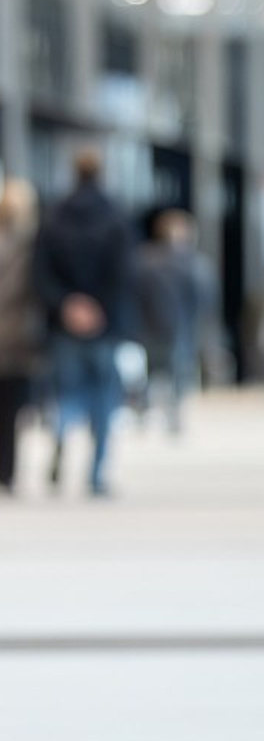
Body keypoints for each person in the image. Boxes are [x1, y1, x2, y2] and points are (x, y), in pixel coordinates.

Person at [33, 147, 132, 497]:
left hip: (63, 324)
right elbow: (122, 274)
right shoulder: (115, 216)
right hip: (105, 325)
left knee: (66, 391)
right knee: (104, 397)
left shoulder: (54, 216)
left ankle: (60, 435)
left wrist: (67, 305)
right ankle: (95, 474)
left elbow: (41, 271)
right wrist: (97, 307)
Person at [132, 208, 209, 434]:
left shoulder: (142, 260)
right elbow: (204, 301)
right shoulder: (195, 264)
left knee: (149, 373)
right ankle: (174, 415)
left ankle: (144, 412)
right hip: (180, 329)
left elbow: (132, 295)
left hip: (147, 328)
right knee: (178, 375)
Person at [0, 177, 41, 494]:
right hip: (16, 338)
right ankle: (7, 472)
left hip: (14, 337)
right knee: (12, 411)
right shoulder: (31, 245)